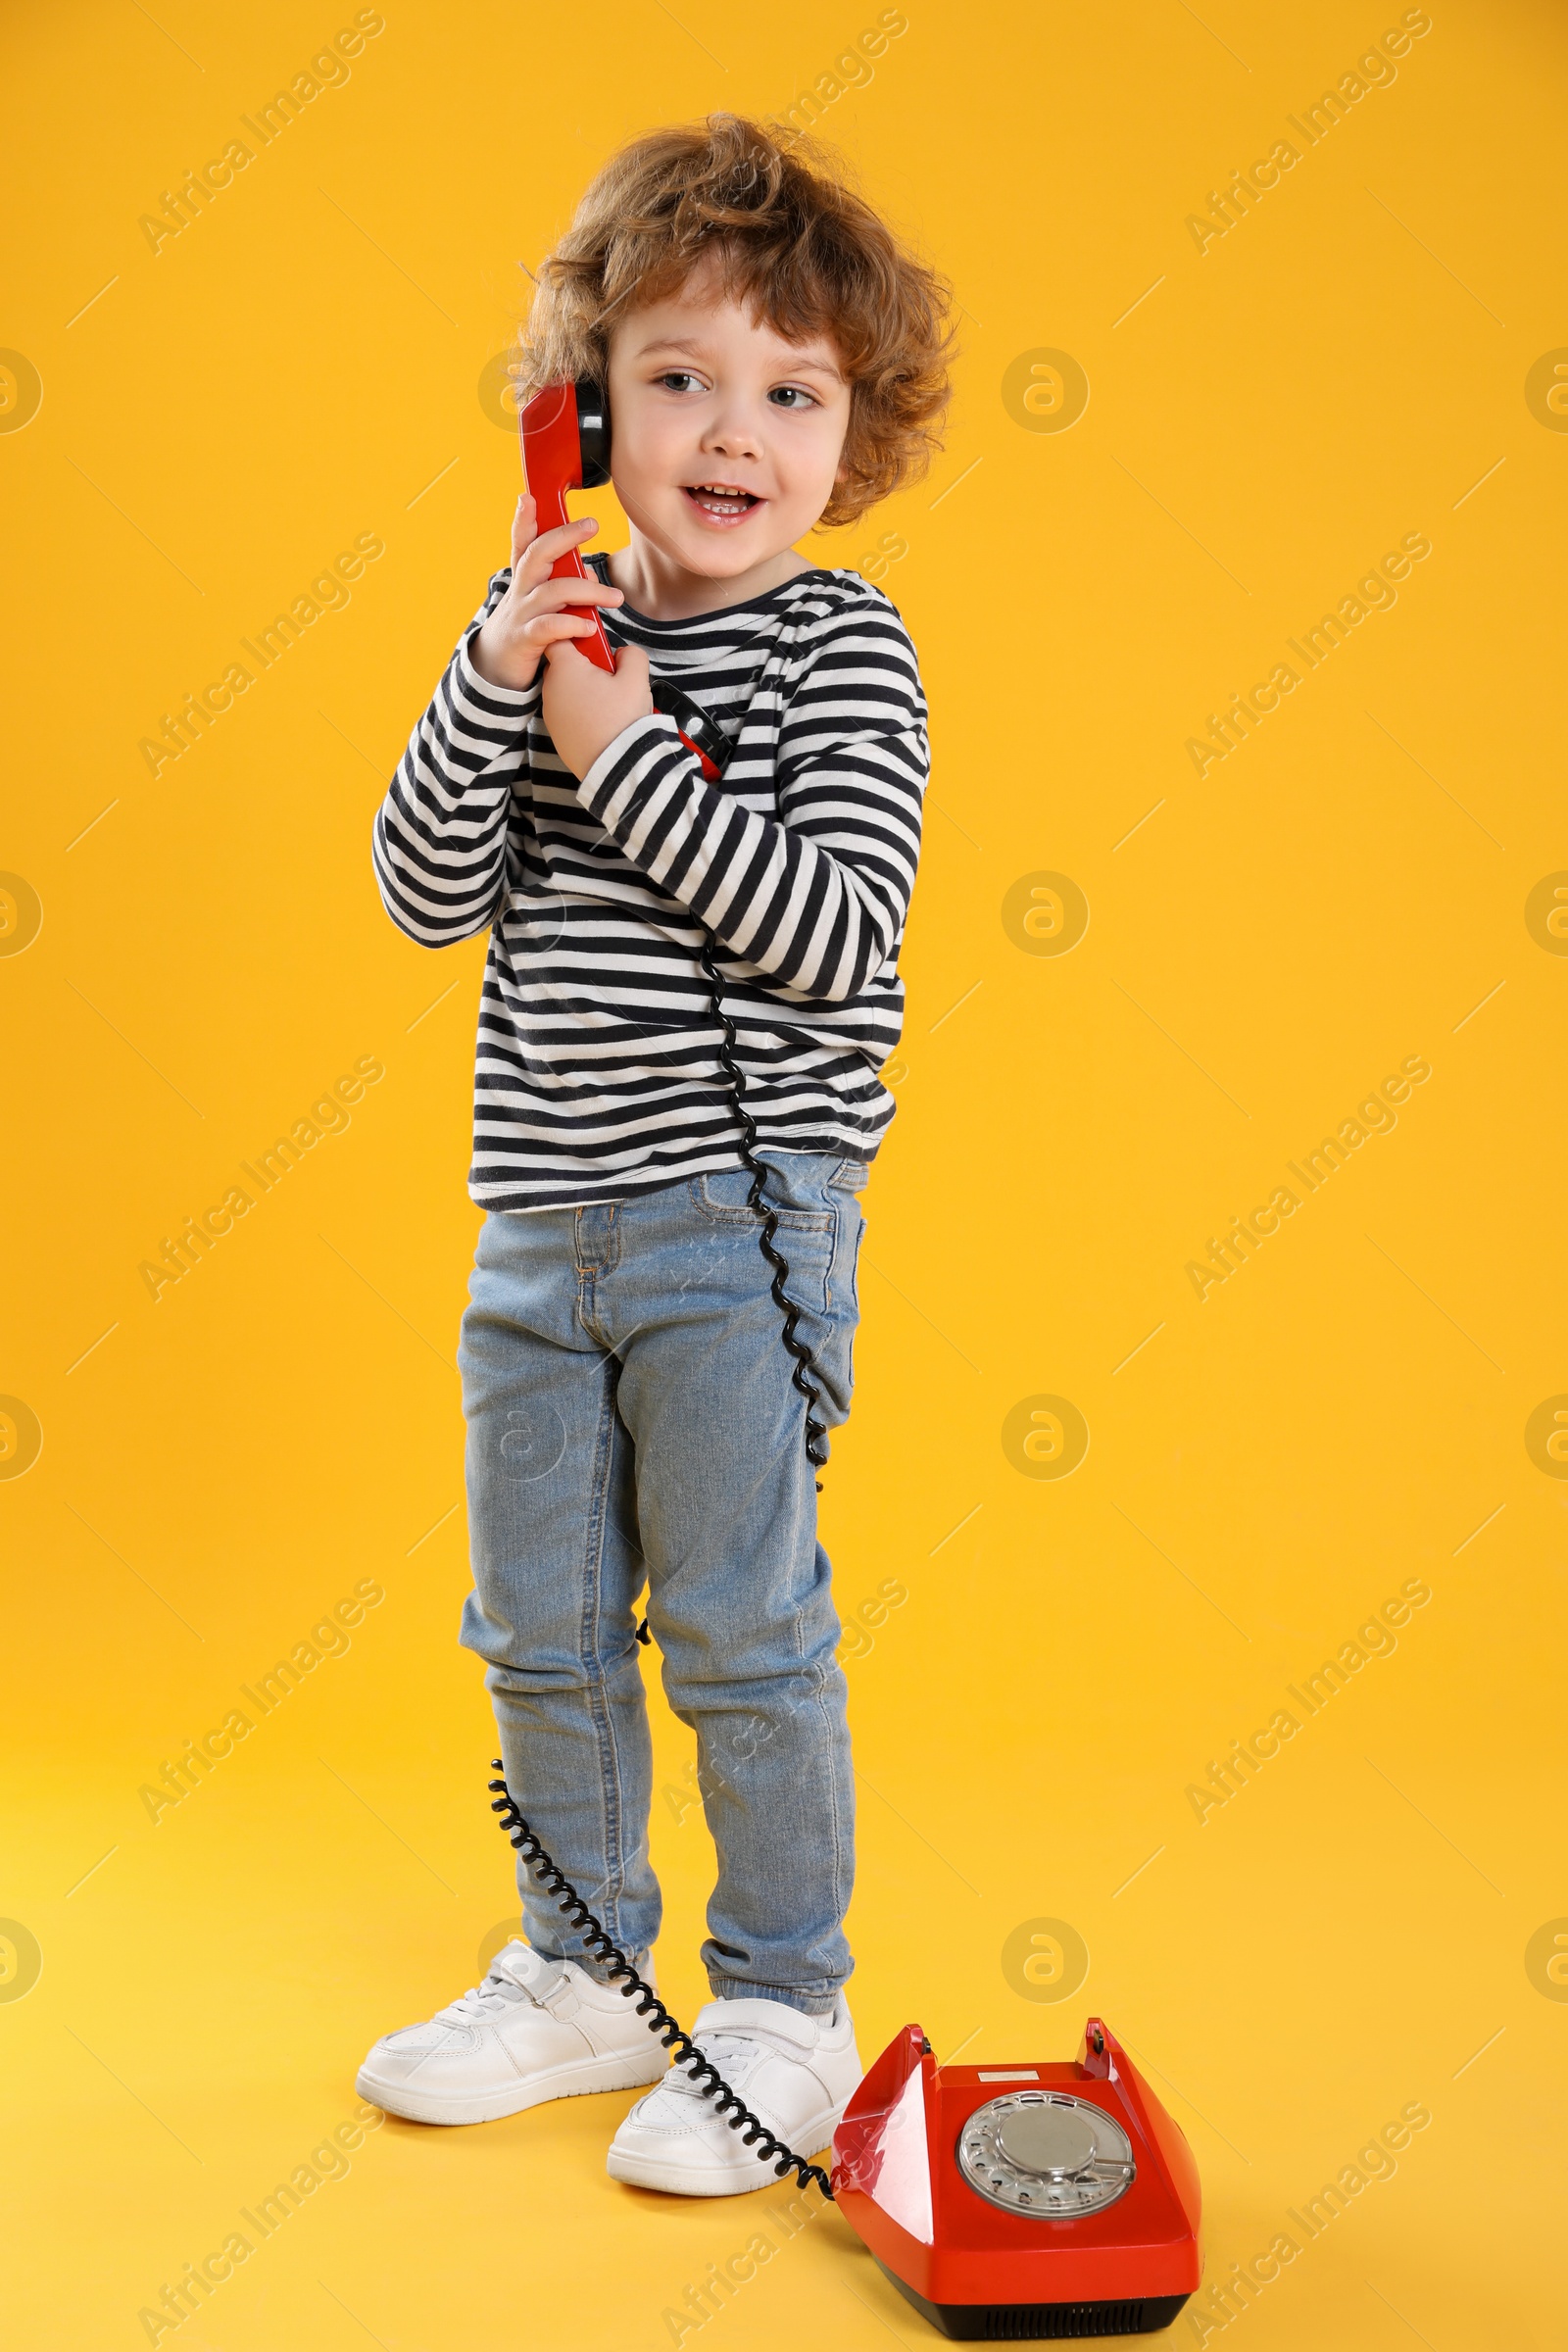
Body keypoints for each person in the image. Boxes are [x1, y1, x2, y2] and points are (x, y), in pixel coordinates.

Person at [357, 113, 950, 2196]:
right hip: (536, 1227)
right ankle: (582, 1962)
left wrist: (618, 743)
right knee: (535, 1628)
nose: (732, 430)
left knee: (736, 1627)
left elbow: (823, 931)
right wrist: (496, 678)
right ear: (582, 402)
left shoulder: (837, 651)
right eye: (680, 374)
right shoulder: (547, 623)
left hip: (729, 1229)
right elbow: (423, 894)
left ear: (848, 435)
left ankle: (783, 1997)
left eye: (792, 392)